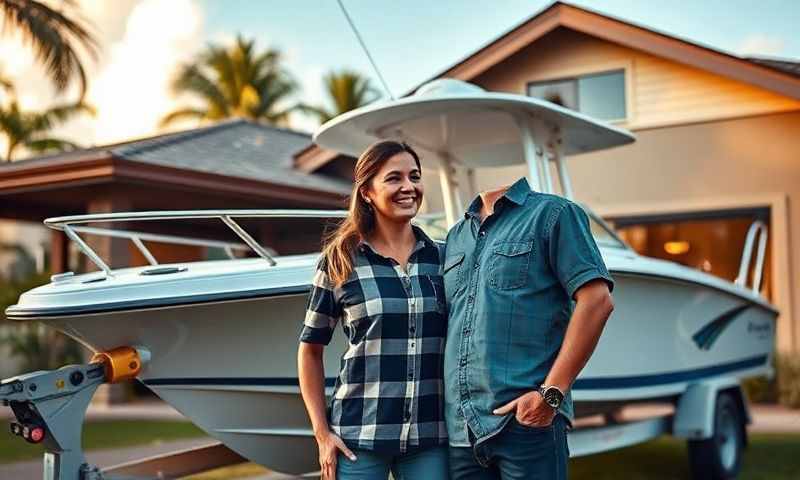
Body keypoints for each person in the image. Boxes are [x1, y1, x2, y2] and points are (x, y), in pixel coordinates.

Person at [443, 177, 615, 480]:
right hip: (462, 431)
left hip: (526, 425)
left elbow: (598, 302)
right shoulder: (456, 235)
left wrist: (550, 397)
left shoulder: (554, 214)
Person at [298, 140, 449, 479]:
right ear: (367, 192)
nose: (408, 187)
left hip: (430, 436)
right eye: (394, 178)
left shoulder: (444, 258)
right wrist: (322, 435)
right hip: (358, 439)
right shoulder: (340, 261)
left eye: (415, 176)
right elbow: (309, 351)